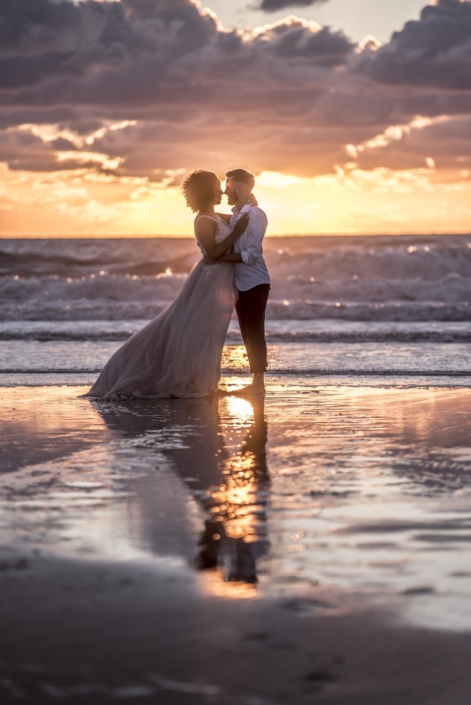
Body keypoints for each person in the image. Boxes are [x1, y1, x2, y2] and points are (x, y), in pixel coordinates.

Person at [86, 169, 248, 399]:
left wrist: (247, 202)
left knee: (213, 333)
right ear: (206, 191)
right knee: (201, 331)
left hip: (221, 281)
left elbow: (240, 219)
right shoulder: (203, 221)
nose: (221, 190)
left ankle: (207, 381)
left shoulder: (217, 216)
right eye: (216, 186)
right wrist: (236, 234)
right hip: (209, 282)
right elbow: (212, 254)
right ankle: (196, 382)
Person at [209, 168, 271, 396]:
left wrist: (220, 257)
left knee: (254, 331)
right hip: (241, 284)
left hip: (255, 282)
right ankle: (256, 384)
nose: (225, 192)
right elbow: (221, 221)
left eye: (228, 187)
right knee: (246, 331)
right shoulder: (239, 214)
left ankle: (259, 385)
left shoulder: (256, 216)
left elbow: (251, 254)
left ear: (241, 189)